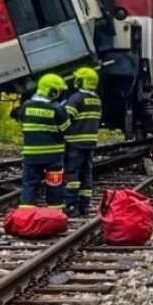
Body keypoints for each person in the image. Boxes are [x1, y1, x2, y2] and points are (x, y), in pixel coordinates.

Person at [16, 74, 71, 209]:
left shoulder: (26, 106)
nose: (59, 93)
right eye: (58, 90)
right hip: (53, 156)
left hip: (31, 155)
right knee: (54, 185)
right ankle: (55, 212)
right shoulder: (57, 108)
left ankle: (26, 214)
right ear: (51, 91)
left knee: (30, 184)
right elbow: (66, 129)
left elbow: (22, 120)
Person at [63, 67, 102, 217]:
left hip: (75, 143)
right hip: (90, 142)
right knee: (86, 173)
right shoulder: (96, 99)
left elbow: (66, 119)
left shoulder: (76, 98)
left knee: (71, 173)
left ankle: (71, 205)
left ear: (82, 81)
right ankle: (84, 205)